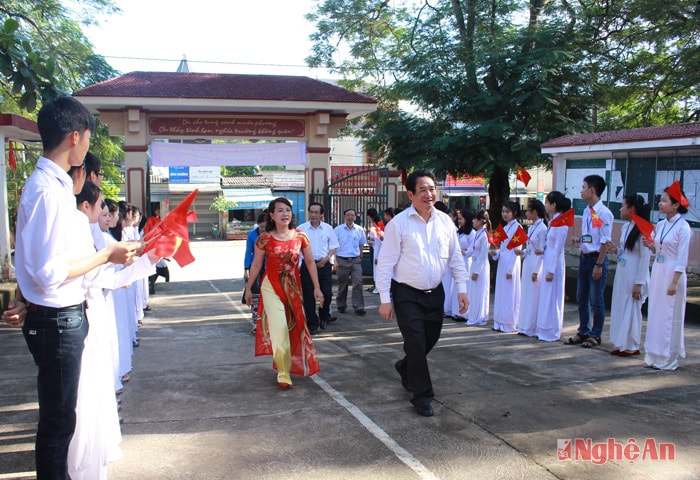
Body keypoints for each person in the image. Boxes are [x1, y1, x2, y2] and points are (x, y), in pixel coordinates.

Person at [12, 96, 138, 479]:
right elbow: (49, 272)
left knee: (62, 419)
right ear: (74, 137)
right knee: (58, 423)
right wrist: (106, 256)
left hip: (59, 318)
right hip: (56, 321)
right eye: (87, 138)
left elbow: (36, 262)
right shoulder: (49, 192)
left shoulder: (52, 188)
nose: (87, 146)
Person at [376, 170, 469, 417]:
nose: (429, 194)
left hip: (434, 293)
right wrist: (385, 299)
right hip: (406, 294)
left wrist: (462, 289)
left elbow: (456, 257)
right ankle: (423, 395)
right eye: (423, 190)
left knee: (429, 340)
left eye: (432, 189)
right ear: (410, 194)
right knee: (416, 343)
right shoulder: (399, 224)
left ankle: (405, 366)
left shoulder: (445, 222)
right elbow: (385, 263)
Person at [244, 197, 323, 389]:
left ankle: (286, 365)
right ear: (271, 215)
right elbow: (256, 264)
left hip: (293, 289)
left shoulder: (300, 236)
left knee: (292, 329)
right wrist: (248, 288)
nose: (285, 214)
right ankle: (283, 373)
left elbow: (311, 262)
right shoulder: (265, 239)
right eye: (280, 210)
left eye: (287, 210)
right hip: (270, 287)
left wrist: (316, 287)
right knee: (279, 329)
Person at [643, 182, 691, 370]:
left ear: (676, 205)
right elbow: (660, 248)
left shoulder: (683, 227)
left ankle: (667, 357)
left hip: (672, 273)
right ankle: (653, 354)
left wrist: (674, 281)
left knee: (670, 315)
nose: (660, 204)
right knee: (655, 312)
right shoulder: (661, 224)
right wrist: (651, 247)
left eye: (664, 201)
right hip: (659, 269)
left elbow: (682, 257)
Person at [565, 174, 613, 348]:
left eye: (584, 187)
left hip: (595, 260)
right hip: (584, 258)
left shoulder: (604, 213)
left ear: (592, 190)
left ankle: (595, 334)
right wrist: (580, 240)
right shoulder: (587, 211)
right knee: (581, 296)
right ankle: (583, 330)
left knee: (596, 298)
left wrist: (599, 264)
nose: (581, 191)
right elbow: (591, 237)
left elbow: (605, 241)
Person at [605, 195, 651, 357]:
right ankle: (620, 342)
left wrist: (639, 282)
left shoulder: (644, 229)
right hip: (623, 271)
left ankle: (632, 344)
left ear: (631, 209)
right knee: (620, 306)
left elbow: (645, 257)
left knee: (632, 309)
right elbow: (625, 252)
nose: (620, 208)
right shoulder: (626, 228)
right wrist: (615, 250)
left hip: (635, 274)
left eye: (623, 206)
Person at [298, 202, 339, 334]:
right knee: (309, 296)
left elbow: (334, 246)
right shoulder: (301, 229)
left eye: (316, 212)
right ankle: (312, 324)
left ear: (322, 214)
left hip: (324, 265)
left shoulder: (328, 228)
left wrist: (327, 258)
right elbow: (297, 249)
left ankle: (324, 316)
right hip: (307, 266)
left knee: (327, 294)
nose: (313, 215)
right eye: (311, 212)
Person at [536, 192, 571, 342]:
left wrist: (550, 270)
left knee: (553, 296)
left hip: (554, 264)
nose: (545, 206)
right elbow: (549, 246)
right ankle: (544, 327)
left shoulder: (562, 223)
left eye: (547, 203)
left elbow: (557, 248)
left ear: (554, 205)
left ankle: (553, 330)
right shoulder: (552, 222)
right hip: (548, 259)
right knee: (546, 297)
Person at [490, 201, 522, 333]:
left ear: (514, 213)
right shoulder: (506, 227)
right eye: (503, 211)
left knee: (509, 294)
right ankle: (499, 321)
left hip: (511, 264)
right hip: (503, 263)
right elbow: (503, 248)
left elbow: (517, 249)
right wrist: (496, 253)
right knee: (501, 293)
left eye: (507, 212)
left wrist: (511, 269)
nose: (505, 214)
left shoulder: (517, 227)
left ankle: (509, 323)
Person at [517, 200, 546, 337]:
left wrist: (537, 271)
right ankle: (524, 325)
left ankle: (531, 327)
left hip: (535, 265)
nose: (526, 213)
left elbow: (542, 252)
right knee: (526, 295)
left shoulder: (542, 229)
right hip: (528, 262)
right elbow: (530, 249)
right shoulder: (531, 228)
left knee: (533, 297)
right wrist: (522, 253)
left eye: (528, 210)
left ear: (534, 212)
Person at [334, 208, 367, 316]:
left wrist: (361, 254)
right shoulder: (338, 230)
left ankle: (359, 307)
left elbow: (362, 243)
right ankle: (341, 305)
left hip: (355, 260)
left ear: (355, 217)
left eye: (352, 215)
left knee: (358, 282)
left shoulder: (359, 229)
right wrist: (334, 260)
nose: (350, 217)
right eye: (348, 215)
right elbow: (334, 246)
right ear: (344, 217)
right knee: (342, 285)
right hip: (342, 260)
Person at [466, 209, 490, 326]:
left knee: (480, 291)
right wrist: (464, 252)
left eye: (475, 219)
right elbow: (473, 249)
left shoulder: (484, 235)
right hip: (475, 263)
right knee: (474, 291)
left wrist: (477, 271)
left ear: (481, 221)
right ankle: (473, 314)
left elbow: (483, 255)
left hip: (481, 266)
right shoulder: (477, 233)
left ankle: (480, 316)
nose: (473, 221)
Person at [243, 214, 267, 333]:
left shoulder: (272, 234)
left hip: (269, 268)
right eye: (261, 227)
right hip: (255, 268)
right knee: (256, 296)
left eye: (265, 227)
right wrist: (246, 269)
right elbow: (248, 252)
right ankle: (256, 322)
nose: (263, 229)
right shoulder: (252, 235)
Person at [452, 210, 474, 322]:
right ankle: (456, 311)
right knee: (457, 286)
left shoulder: (472, 233)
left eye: (461, 219)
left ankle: (465, 312)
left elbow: (472, 249)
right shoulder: (459, 232)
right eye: (458, 219)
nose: (459, 221)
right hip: (458, 260)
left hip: (466, 261)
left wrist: (464, 251)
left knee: (465, 286)